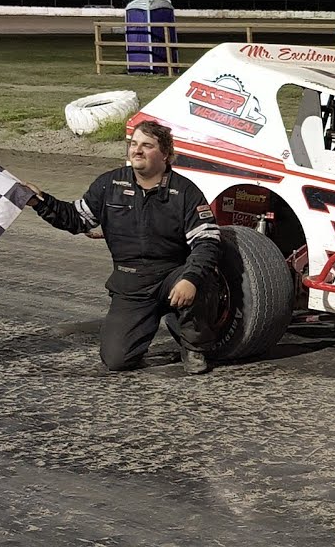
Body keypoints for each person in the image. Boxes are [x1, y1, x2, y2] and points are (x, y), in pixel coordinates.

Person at [25, 120, 221, 374]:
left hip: (174, 275)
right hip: (132, 283)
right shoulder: (110, 184)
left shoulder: (185, 191)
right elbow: (76, 219)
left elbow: (207, 240)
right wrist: (40, 202)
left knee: (203, 277)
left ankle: (194, 346)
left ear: (166, 155)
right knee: (117, 360)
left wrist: (191, 279)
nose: (137, 150)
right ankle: (160, 318)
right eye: (134, 144)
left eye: (147, 145)